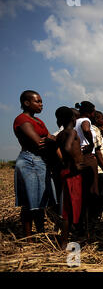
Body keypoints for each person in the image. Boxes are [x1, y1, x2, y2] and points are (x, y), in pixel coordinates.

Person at [13, 90, 57, 239]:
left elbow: (49, 138)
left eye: (41, 101)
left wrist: (49, 140)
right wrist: (49, 140)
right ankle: (28, 237)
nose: (41, 104)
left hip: (40, 161)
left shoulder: (38, 121)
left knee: (41, 201)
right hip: (29, 161)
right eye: (37, 101)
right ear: (26, 103)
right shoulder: (22, 120)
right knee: (30, 202)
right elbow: (38, 142)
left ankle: (40, 233)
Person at [55, 106, 84, 249]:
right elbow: (67, 148)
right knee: (69, 208)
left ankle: (68, 239)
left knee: (68, 206)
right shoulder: (72, 132)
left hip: (66, 171)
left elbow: (61, 150)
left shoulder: (60, 134)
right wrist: (75, 164)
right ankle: (64, 242)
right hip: (72, 173)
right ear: (73, 118)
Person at [74, 101, 101, 237]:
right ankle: (90, 226)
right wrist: (91, 143)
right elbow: (86, 129)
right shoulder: (85, 121)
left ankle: (81, 226)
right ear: (90, 112)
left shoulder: (76, 121)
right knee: (92, 192)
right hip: (87, 157)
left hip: (79, 157)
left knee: (83, 193)